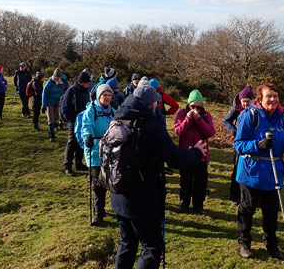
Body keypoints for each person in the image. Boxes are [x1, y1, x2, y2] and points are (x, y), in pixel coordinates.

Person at [110, 84, 207, 269]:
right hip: (143, 197)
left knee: (127, 241)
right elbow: (174, 158)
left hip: (118, 191)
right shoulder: (152, 127)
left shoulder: (117, 119)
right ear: (152, 105)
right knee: (151, 246)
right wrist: (195, 152)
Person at [234, 82, 284, 260]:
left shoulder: (283, 118)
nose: (272, 99)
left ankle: (271, 245)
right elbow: (238, 144)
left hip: (273, 174)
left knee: (271, 214)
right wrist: (258, 145)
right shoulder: (251, 115)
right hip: (251, 173)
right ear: (260, 99)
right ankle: (244, 243)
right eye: (268, 96)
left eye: (275, 96)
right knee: (247, 210)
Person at [173, 89, 215, 214]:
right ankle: (184, 204)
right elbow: (178, 131)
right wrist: (188, 120)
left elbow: (210, 133)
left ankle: (198, 206)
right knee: (185, 181)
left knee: (200, 183)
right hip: (186, 154)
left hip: (202, 156)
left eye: (198, 107)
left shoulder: (206, 116)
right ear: (188, 105)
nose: (195, 109)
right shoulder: (182, 113)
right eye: (193, 106)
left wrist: (199, 120)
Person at [80, 83, 115, 225]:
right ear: (98, 96)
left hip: (109, 151)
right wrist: (87, 137)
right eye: (104, 95)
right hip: (94, 152)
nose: (106, 97)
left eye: (109, 95)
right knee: (97, 184)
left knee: (109, 182)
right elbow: (86, 127)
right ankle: (98, 214)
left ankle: (103, 208)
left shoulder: (113, 111)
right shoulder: (91, 111)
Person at [223, 84, 255, 205]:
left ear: (252, 100)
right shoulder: (236, 109)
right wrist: (233, 130)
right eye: (243, 101)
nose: (245, 104)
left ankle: (250, 197)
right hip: (239, 144)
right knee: (237, 168)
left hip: (252, 143)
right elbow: (226, 120)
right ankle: (234, 196)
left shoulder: (256, 111)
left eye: (247, 101)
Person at [61, 71, 91, 176]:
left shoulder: (86, 91)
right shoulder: (71, 91)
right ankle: (67, 166)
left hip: (84, 122)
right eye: (87, 82)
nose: (89, 84)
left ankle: (78, 163)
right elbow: (64, 108)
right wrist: (71, 120)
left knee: (80, 143)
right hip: (74, 123)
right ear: (82, 82)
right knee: (71, 144)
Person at [42, 68, 64, 142]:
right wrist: (44, 105)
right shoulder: (49, 83)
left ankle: (54, 128)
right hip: (50, 103)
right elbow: (44, 94)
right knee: (51, 119)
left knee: (57, 118)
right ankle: (51, 134)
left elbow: (62, 93)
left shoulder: (61, 83)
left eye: (59, 77)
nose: (57, 79)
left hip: (57, 103)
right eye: (56, 77)